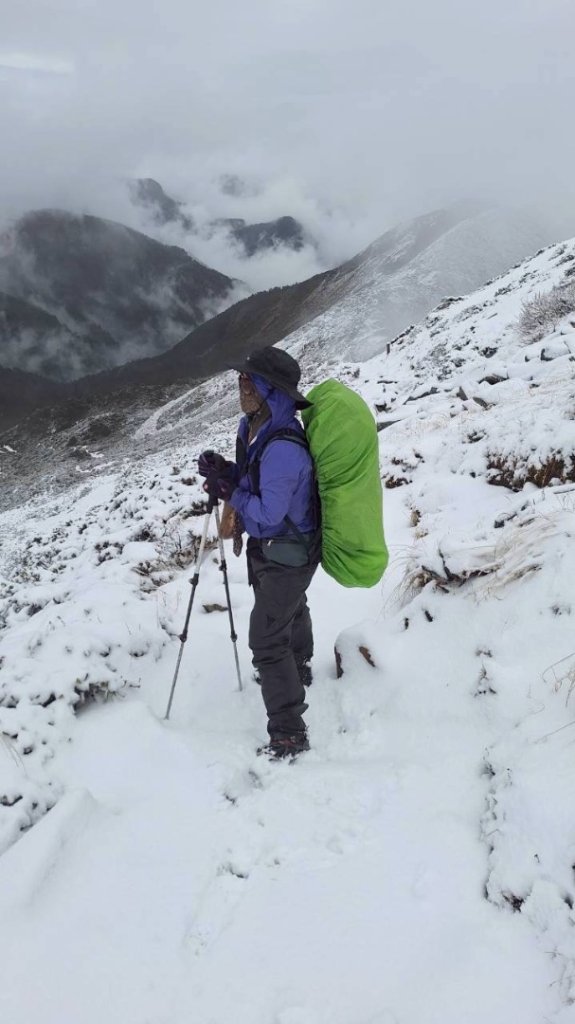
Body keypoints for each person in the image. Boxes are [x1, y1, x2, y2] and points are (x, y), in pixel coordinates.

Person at [198, 346, 320, 759]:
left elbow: (268, 515)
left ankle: (289, 734)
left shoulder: (284, 447)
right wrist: (226, 472)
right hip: (276, 550)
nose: (240, 383)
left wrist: (230, 492)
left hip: (287, 551)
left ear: (271, 390)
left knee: (266, 639)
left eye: (250, 380)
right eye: (242, 377)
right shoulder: (255, 426)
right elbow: (256, 479)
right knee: (290, 609)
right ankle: (298, 667)